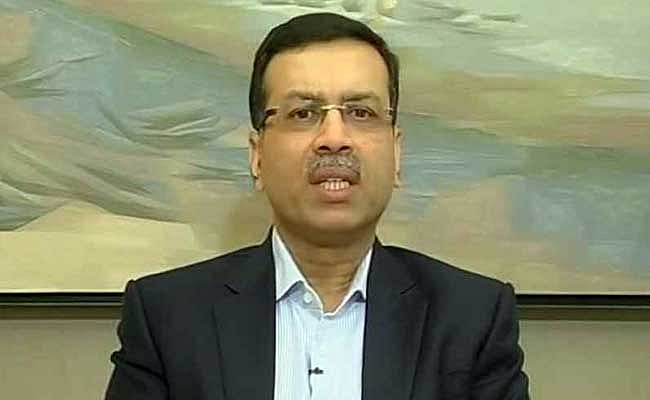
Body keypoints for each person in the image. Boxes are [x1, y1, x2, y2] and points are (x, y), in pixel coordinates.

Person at [105, 12, 530, 400]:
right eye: (303, 114)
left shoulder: (472, 317)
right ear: (257, 156)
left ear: (397, 153)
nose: (334, 138)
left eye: (360, 113)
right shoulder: (168, 317)